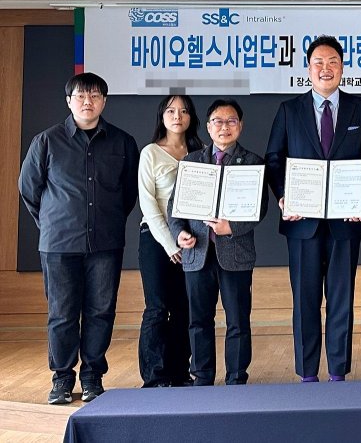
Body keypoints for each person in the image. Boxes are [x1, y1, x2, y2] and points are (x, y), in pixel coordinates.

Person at [266, 35, 361, 382]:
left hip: (346, 220)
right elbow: (274, 157)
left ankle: (338, 373)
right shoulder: (289, 110)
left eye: (333, 62)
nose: (325, 68)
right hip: (302, 221)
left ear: (342, 68)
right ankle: (307, 374)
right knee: (305, 300)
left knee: (342, 300)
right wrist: (283, 196)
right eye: (319, 62)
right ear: (308, 68)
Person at [18, 72, 139, 404]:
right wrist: (51, 222)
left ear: (104, 101)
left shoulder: (123, 142)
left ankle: (92, 377)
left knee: (101, 310)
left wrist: (107, 220)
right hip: (59, 244)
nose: (88, 101)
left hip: (105, 243)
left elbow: (128, 193)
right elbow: (28, 189)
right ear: (69, 101)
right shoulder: (46, 141)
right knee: (62, 313)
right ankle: (61, 378)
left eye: (95, 95)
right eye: (81, 96)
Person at [167, 98, 266, 386]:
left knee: (238, 320)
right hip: (197, 252)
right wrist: (179, 233)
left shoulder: (253, 162)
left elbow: (259, 208)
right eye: (218, 122)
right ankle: (202, 377)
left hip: (236, 252)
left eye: (231, 121)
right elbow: (175, 207)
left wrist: (231, 227)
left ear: (240, 126)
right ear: (208, 127)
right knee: (198, 320)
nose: (225, 127)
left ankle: (236, 377)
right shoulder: (191, 162)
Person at [137, 95, 204, 388]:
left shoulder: (201, 151)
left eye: (184, 111)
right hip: (156, 240)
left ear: (191, 118)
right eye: (171, 111)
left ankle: (179, 373)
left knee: (184, 308)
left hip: (193, 240)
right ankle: (155, 377)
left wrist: (186, 239)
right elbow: (148, 203)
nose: (178, 116)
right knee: (157, 307)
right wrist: (170, 243)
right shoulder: (150, 153)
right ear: (162, 117)